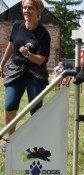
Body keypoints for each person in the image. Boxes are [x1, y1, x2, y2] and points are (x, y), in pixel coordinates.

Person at [0, 0, 51, 152]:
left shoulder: (44, 34)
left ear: (38, 11)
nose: (26, 11)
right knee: (9, 105)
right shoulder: (17, 26)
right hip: (16, 69)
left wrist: (28, 54)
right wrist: (2, 64)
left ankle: (34, 143)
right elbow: (11, 45)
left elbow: (41, 59)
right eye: (24, 8)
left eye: (30, 8)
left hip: (35, 73)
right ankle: (11, 141)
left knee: (35, 109)